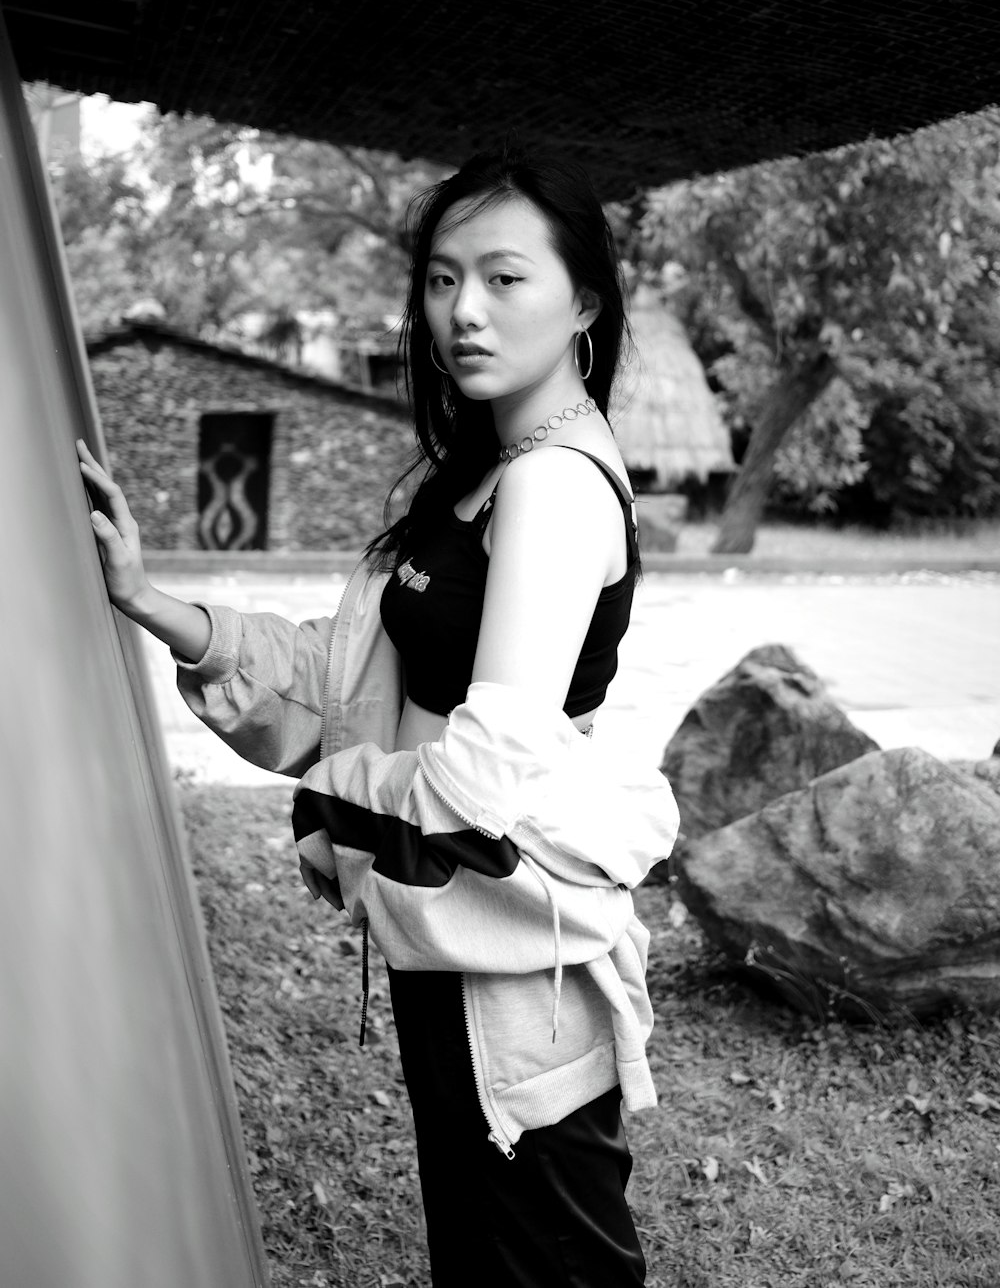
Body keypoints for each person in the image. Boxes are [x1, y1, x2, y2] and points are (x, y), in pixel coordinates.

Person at [78, 144, 679, 1287]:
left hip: (517, 944)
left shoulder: (551, 487)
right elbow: (352, 681)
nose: (463, 310)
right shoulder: (478, 472)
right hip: (443, 913)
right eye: (443, 277)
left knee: (547, 1252)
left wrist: (328, 800)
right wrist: (158, 605)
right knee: (479, 1233)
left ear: (584, 300)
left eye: (506, 279)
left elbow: (479, 775)